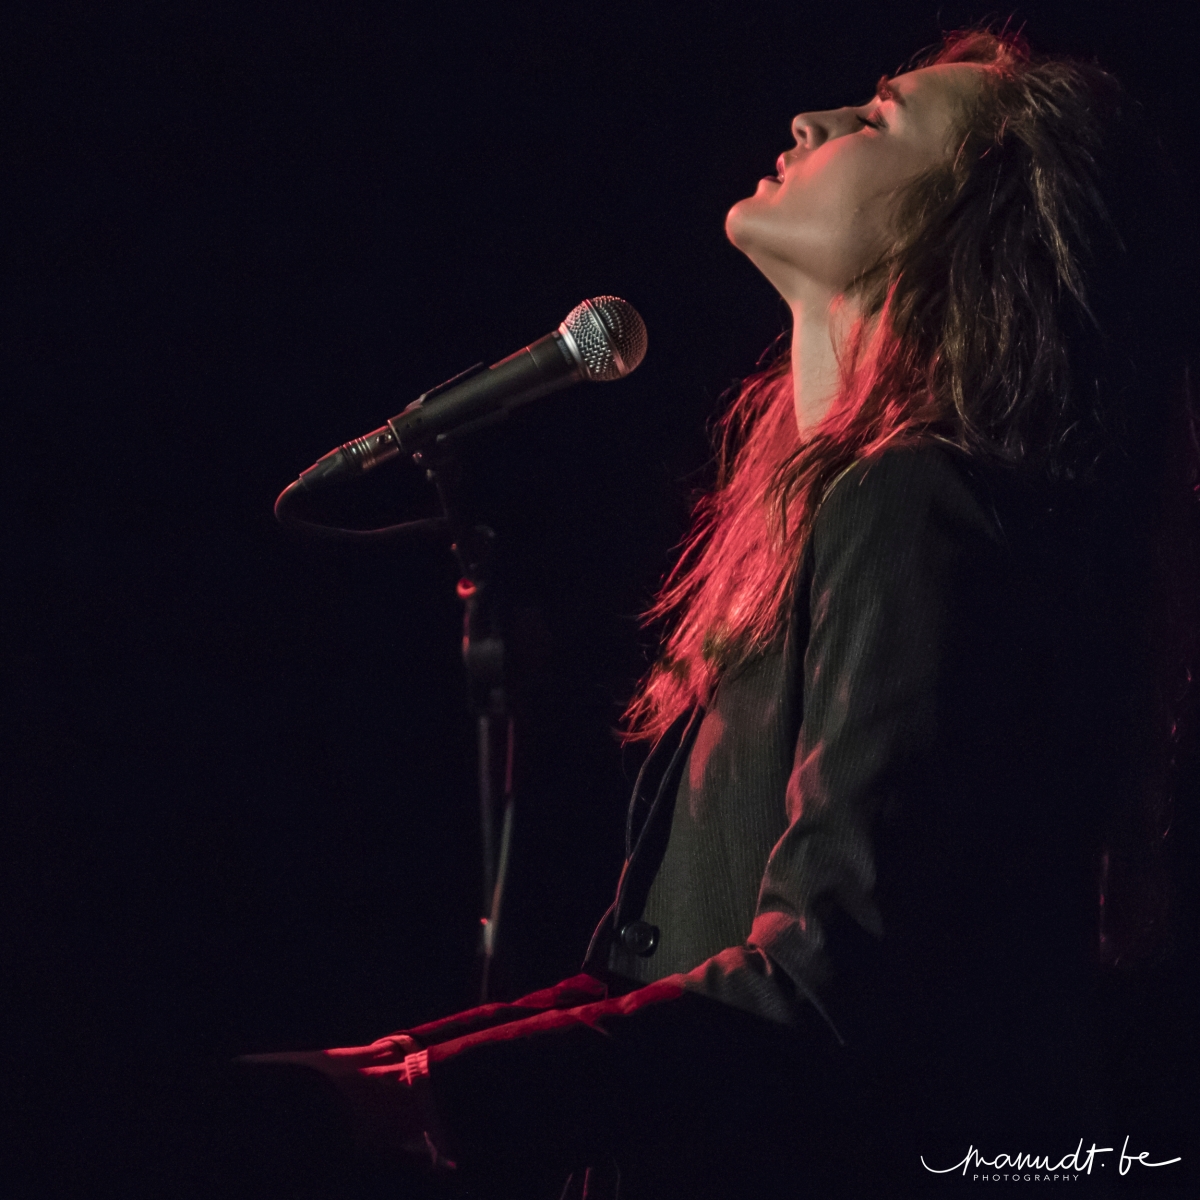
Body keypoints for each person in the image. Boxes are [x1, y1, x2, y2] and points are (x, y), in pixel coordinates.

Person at [243, 28, 1197, 1198]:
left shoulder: (917, 506)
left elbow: (826, 986)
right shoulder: (838, 518)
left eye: (880, 117)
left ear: (968, 221)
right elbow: (664, 969)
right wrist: (388, 1068)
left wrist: (419, 1097)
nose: (811, 120)